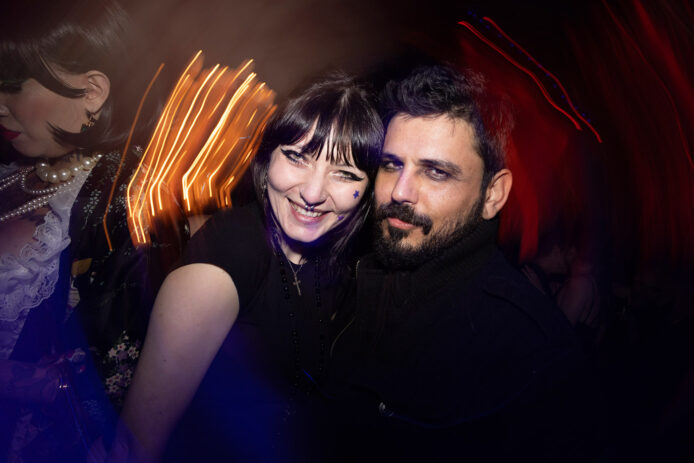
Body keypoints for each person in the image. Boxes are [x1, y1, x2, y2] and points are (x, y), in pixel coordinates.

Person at [326, 65, 608, 460]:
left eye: (436, 172)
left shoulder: (534, 356)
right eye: (391, 164)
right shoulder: (350, 282)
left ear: (493, 195)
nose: (400, 192)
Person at [106, 74, 383, 462]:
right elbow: (134, 447)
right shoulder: (227, 256)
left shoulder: (340, 264)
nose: (313, 193)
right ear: (267, 156)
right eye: (296, 157)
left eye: (345, 174)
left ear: (368, 190)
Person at [0, 1, 167, 460]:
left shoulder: (118, 207)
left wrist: (33, 384)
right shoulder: (14, 174)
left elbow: (116, 377)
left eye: (12, 85)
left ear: (91, 92)